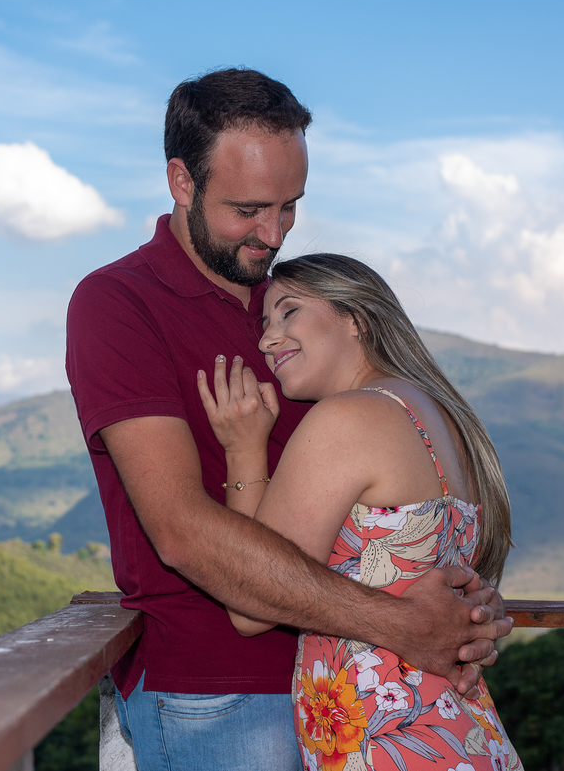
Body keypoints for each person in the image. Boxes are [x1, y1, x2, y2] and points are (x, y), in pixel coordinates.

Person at [65, 68, 513, 771]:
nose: (272, 233)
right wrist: (403, 622)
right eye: (248, 209)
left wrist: (454, 601)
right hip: (219, 692)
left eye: (290, 206)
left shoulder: (294, 308)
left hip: (352, 691)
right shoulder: (119, 304)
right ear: (182, 181)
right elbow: (182, 530)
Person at [197, 252, 521, 771]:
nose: (267, 339)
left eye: (289, 312)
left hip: (387, 740)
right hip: (460, 735)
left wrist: (243, 450)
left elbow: (252, 604)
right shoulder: (439, 419)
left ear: (356, 319)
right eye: (264, 323)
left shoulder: (345, 419)